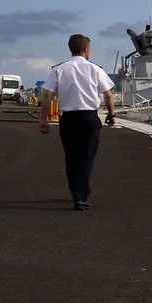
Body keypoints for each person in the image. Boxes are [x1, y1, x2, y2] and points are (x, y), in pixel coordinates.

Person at [38, 33, 117, 210]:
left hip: (68, 119)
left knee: (72, 156)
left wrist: (43, 119)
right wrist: (111, 115)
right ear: (87, 49)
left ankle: (76, 192)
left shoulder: (59, 69)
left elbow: (48, 94)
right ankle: (80, 197)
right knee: (86, 156)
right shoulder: (96, 69)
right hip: (89, 118)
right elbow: (108, 95)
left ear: (70, 49)